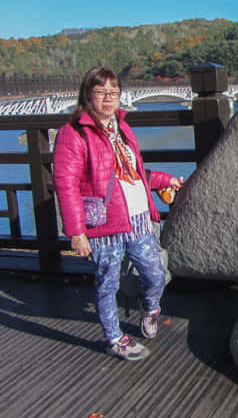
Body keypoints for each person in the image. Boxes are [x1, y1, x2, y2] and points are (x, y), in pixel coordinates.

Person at [53, 66, 183, 361]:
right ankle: (114, 338)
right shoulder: (72, 133)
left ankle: (150, 310)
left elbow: (135, 174)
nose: (108, 98)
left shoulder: (121, 128)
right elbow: (66, 184)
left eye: (113, 92)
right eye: (100, 92)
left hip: (138, 219)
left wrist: (166, 180)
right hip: (104, 224)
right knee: (107, 283)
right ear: (87, 95)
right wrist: (76, 231)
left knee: (156, 274)